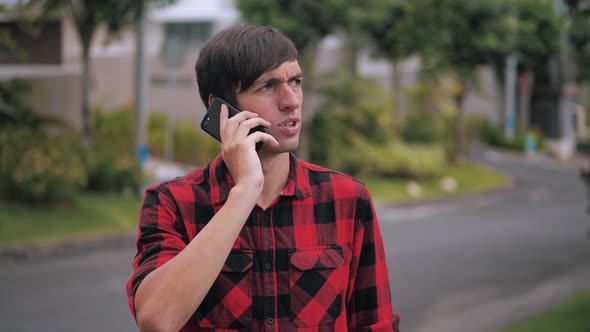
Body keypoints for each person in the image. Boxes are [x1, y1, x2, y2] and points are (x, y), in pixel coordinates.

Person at [126, 24, 400, 332]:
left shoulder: (347, 198)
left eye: (295, 81)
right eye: (267, 86)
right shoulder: (172, 203)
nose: (291, 100)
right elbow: (157, 319)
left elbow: (375, 324)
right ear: (221, 110)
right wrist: (244, 191)